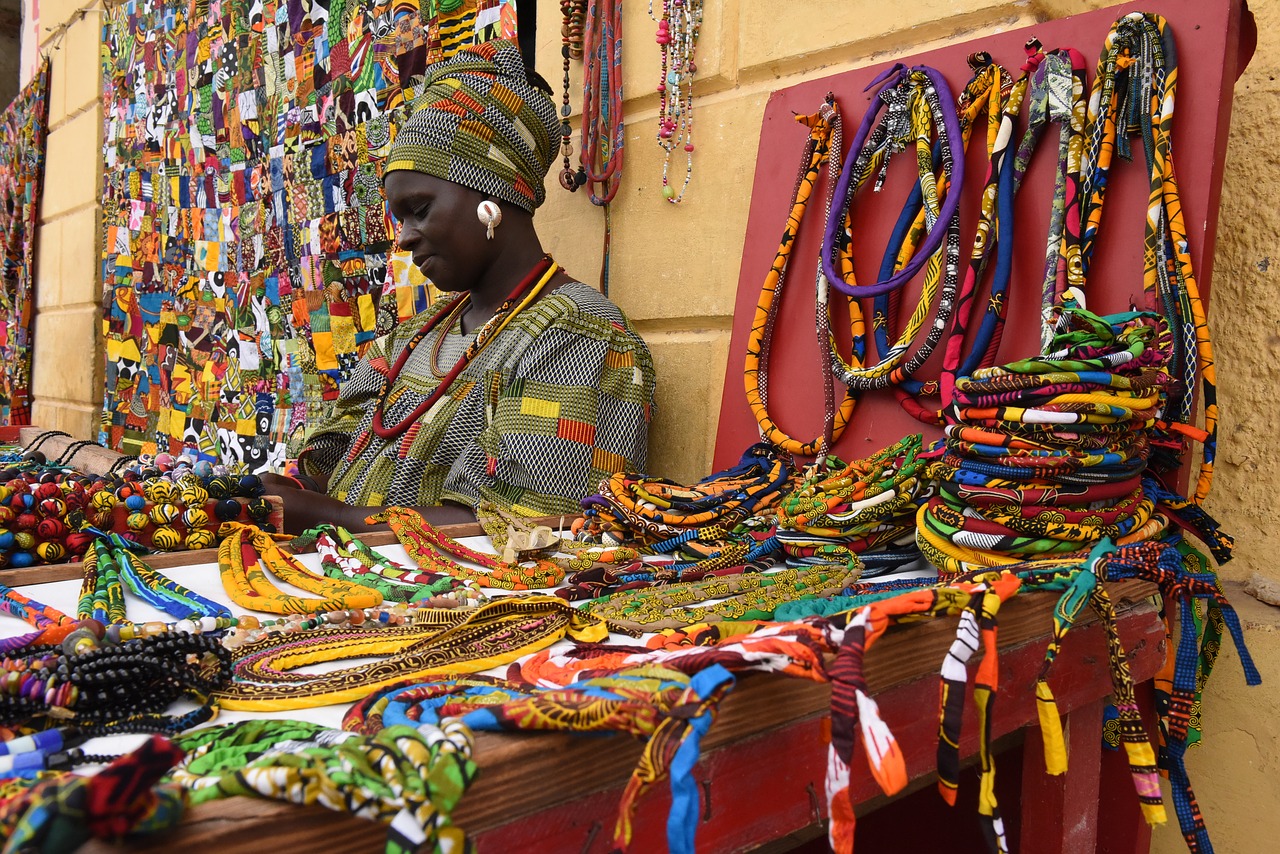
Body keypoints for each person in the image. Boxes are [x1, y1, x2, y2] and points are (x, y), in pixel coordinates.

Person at [264, 40, 656, 533]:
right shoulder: (412, 338)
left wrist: (336, 518)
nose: (404, 237)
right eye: (398, 217)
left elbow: (526, 527)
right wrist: (281, 492)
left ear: (492, 196)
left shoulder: (579, 337)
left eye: (420, 209)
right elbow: (330, 454)